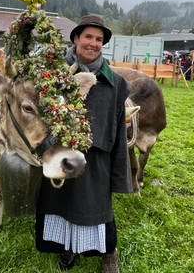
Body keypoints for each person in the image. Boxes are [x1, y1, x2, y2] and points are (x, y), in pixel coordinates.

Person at [35, 15, 133, 273]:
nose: (93, 43)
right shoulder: (52, 76)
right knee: (62, 205)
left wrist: (119, 174)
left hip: (97, 160)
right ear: (76, 38)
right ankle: (68, 248)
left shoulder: (116, 83)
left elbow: (119, 134)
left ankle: (109, 253)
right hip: (59, 153)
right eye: (88, 36)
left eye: (99, 39)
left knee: (98, 210)